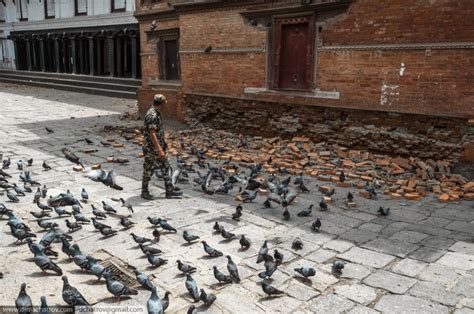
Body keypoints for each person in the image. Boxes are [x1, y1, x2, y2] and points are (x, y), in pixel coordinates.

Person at [141, 94, 182, 200]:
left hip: (158, 148)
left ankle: (169, 191)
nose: (165, 106)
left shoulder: (156, 113)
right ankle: (144, 191)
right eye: (164, 104)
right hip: (152, 149)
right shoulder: (152, 115)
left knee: (165, 167)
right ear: (162, 104)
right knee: (148, 169)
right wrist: (159, 150)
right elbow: (152, 133)